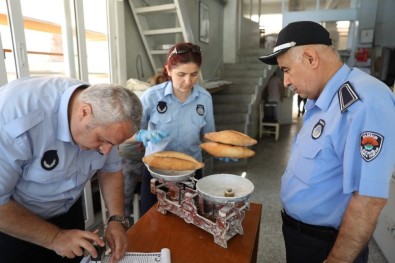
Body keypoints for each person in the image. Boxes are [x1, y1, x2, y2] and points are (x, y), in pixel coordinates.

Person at [259, 21, 395, 263]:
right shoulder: (322, 99)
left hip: (327, 246)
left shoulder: (366, 101)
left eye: (287, 69)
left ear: (311, 58)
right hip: (301, 236)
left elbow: (369, 198)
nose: (286, 81)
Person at [0, 76, 142, 263]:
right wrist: (54, 238)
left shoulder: (105, 114)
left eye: (114, 145)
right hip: (15, 223)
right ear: (84, 112)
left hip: (68, 210)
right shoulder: (14, 117)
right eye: (103, 140)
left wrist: (116, 219)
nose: (106, 151)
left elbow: (110, 169)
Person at [129, 42, 216, 216]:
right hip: (156, 173)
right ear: (168, 70)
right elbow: (127, 133)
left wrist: (220, 148)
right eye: (181, 74)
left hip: (190, 173)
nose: (188, 81)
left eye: (194, 74)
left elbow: (208, 136)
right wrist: (141, 135)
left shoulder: (204, 99)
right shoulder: (152, 97)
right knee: (152, 222)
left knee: (189, 223)